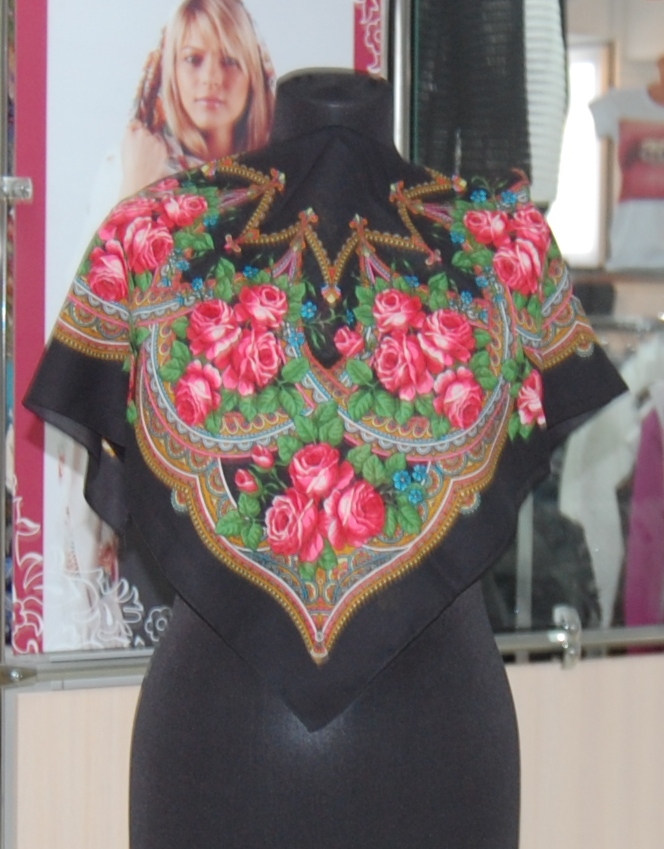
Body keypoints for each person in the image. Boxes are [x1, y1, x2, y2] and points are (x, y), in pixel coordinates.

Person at [119, 0, 275, 199]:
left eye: (230, 61)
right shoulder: (130, 166)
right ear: (169, 71)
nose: (210, 78)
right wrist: (135, 185)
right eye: (193, 59)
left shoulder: (281, 172)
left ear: (255, 77)